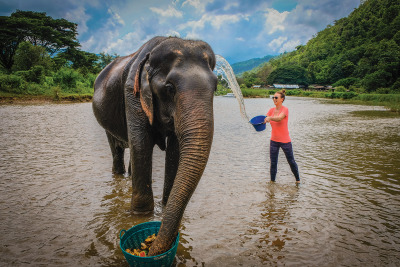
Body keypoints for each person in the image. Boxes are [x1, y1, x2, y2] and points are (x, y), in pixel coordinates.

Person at [263, 89, 300, 183]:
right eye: (273, 97)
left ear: (282, 99)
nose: (274, 99)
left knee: (291, 161)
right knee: (273, 163)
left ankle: (298, 181)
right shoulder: (271, 110)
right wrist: (259, 122)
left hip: (285, 141)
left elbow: (279, 118)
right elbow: (264, 119)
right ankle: (272, 183)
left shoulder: (285, 109)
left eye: (276, 97)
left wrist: (270, 118)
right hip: (273, 141)